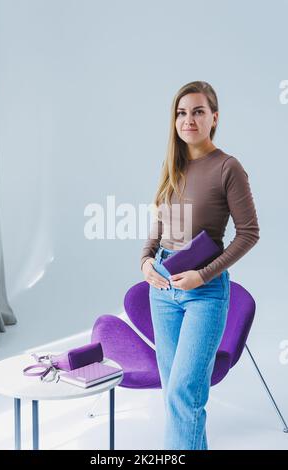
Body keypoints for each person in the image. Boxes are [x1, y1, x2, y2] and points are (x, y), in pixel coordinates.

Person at [140, 80, 260, 450]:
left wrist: (203, 275)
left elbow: (249, 233)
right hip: (161, 288)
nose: (188, 119)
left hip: (204, 293)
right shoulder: (172, 165)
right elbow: (162, 222)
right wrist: (146, 259)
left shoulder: (228, 167)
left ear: (214, 118)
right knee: (177, 399)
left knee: (184, 395)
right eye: (181, 112)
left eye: (197, 112)